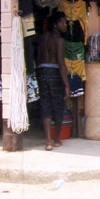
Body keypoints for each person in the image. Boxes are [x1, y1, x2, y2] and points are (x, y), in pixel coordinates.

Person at [37, 11, 71, 151]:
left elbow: (38, 57)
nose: (65, 24)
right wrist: (66, 84)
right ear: (55, 24)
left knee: (45, 105)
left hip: (42, 72)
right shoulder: (59, 40)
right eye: (62, 22)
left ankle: (48, 141)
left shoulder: (41, 38)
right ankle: (56, 139)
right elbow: (61, 63)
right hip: (55, 74)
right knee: (58, 105)